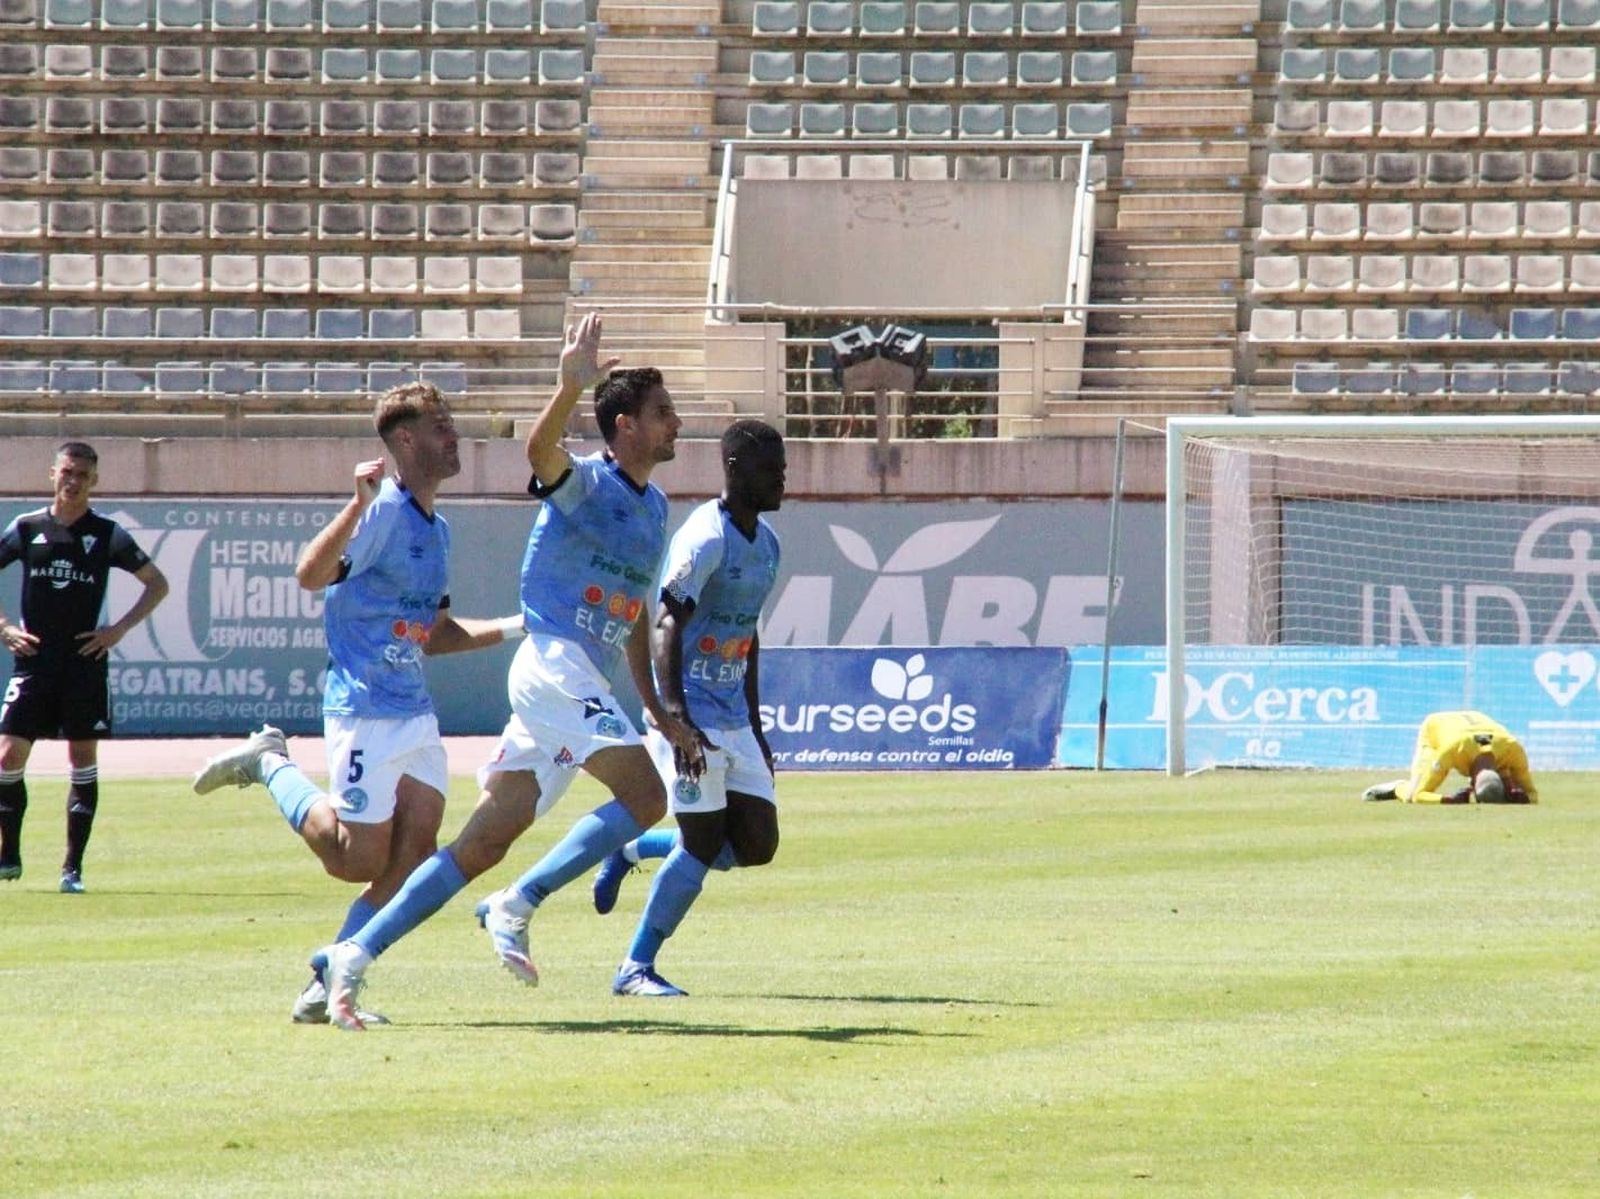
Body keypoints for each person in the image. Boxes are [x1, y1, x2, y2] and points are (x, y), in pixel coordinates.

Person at [315, 312, 699, 1030]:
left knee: (483, 840)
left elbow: (635, 612)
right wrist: (566, 387)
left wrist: (659, 706)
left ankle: (352, 954)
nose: (676, 423)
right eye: (663, 413)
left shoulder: (654, 508)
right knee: (647, 798)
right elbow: (539, 447)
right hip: (552, 666)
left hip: (577, 680)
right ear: (624, 427)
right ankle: (519, 900)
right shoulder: (586, 483)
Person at [192, 383, 519, 1025]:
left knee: (415, 860)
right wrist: (353, 505)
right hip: (364, 710)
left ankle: (325, 984)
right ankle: (269, 765)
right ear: (404, 440)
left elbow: (438, 635)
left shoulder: (438, 530)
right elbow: (310, 576)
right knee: (356, 860)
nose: (454, 436)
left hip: (415, 715)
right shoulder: (382, 515)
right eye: (441, 426)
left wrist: (519, 627)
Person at [590, 419, 786, 997]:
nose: (782, 477)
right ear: (734, 468)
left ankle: (631, 849)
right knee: (701, 843)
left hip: (733, 719)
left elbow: (746, 637)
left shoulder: (769, 545)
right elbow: (668, 621)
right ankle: (635, 968)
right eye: (771, 466)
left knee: (756, 846)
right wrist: (676, 717)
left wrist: (755, 725)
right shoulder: (705, 537)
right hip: (691, 717)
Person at [0, 442, 170, 893]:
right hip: (33, 661)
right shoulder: (26, 527)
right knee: (8, 755)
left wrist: (117, 629)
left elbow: (157, 584)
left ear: (94, 482)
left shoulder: (106, 534)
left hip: (83, 663)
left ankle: (72, 868)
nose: (72, 482)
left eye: (82, 475)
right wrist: (4, 628)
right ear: (52, 473)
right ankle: (8, 853)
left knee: (82, 759)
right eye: (67, 472)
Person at [1362, 709, 1537, 805]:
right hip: (1435, 728)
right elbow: (1420, 795)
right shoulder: (1451, 751)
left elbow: (1533, 794)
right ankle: (1397, 787)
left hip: (1476, 721)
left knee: (1505, 768)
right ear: (1471, 785)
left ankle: (1505, 784)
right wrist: (1447, 800)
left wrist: (1524, 796)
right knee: (1410, 795)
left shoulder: (1513, 749)